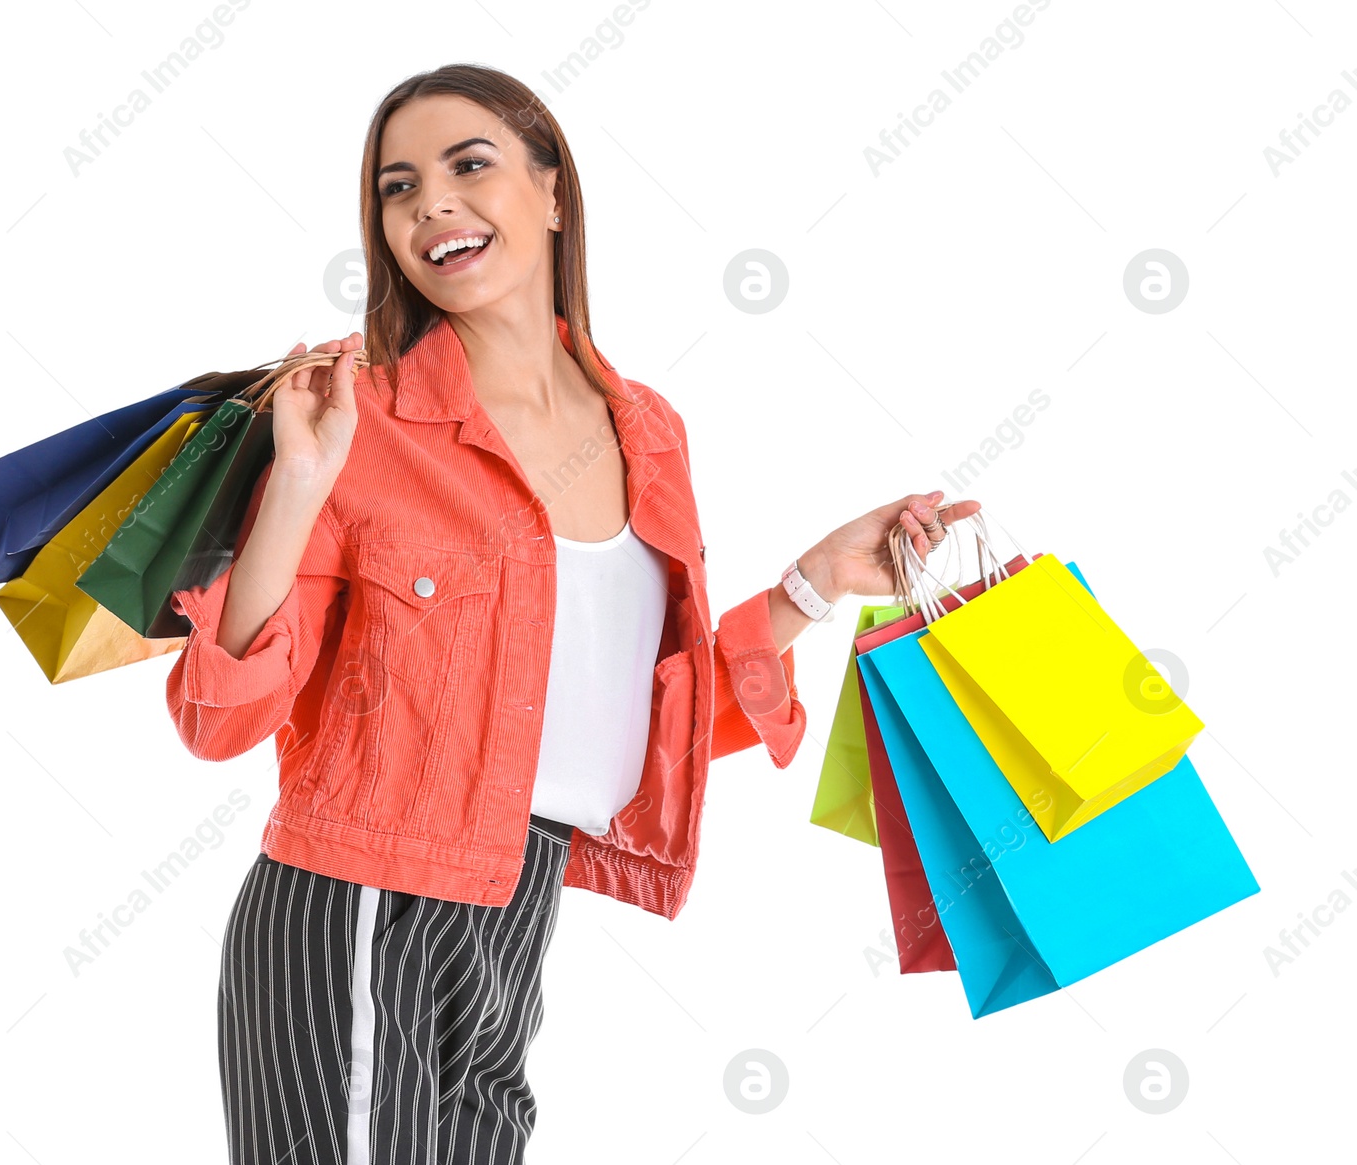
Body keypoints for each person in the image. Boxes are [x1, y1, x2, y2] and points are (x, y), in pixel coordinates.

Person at [164, 64, 979, 1164]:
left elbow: (631, 709)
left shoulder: (648, 430)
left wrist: (814, 584)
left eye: (469, 166)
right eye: (397, 190)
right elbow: (220, 720)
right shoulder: (361, 420)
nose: (431, 206)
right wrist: (300, 483)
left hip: (517, 909)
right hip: (356, 903)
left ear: (552, 190)